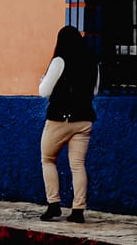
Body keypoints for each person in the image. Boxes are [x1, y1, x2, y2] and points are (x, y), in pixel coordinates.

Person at [36, 24, 96, 223]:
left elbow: (44, 91)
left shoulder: (59, 61)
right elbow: (94, 91)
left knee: (48, 159)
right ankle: (78, 210)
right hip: (84, 120)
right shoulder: (92, 62)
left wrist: (43, 80)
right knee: (77, 165)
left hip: (60, 120)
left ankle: (53, 204)